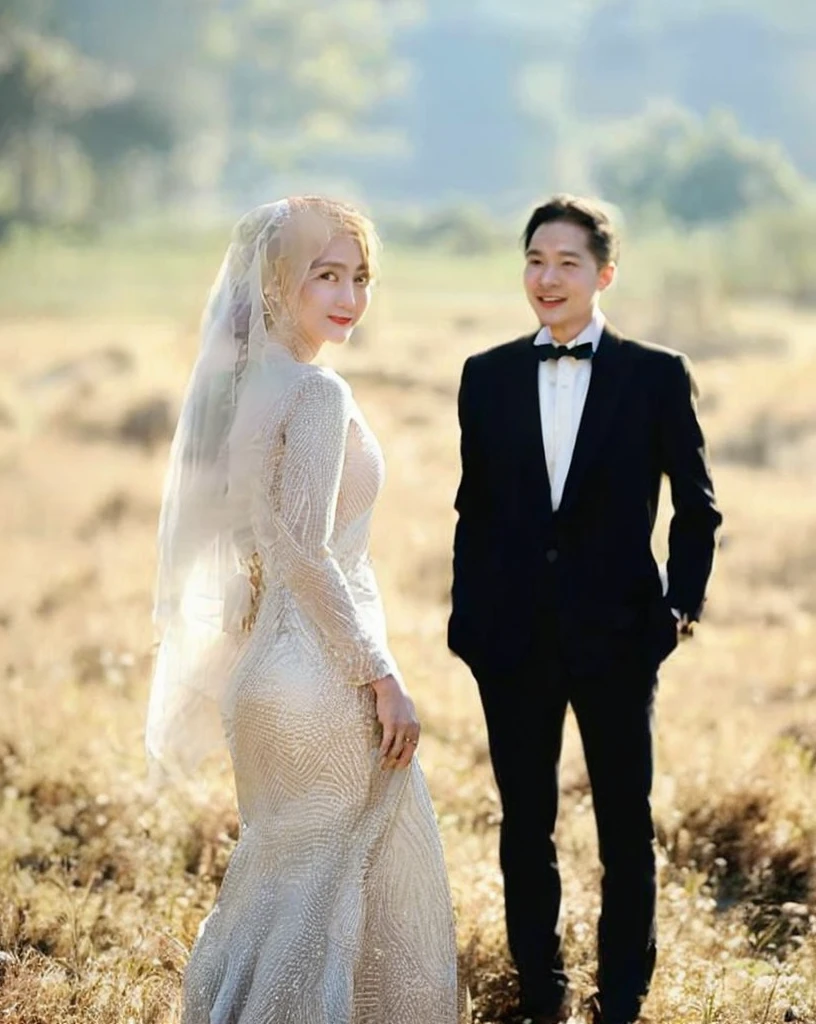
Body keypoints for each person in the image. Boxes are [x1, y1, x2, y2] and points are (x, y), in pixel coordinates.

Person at [147, 197, 465, 1024]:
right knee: (337, 896)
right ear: (277, 279)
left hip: (259, 681)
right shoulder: (316, 393)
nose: (351, 297)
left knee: (281, 889)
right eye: (327, 275)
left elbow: (255, 551)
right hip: (322, 680)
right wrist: (381, 673)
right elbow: (300, 548)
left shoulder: (243, 389)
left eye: (361, 277)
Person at [448, 195, 722, 1024]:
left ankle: (623, 999)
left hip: (619, 637)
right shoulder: (486, 376)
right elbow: (476, 512)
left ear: (604, 275)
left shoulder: (656, 374)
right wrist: (469, 626)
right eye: (535, 260)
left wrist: (679, 609)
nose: (547, 277)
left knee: (623, 829)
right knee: (524, 827)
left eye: (567, 263)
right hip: (512, 644)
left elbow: (697, 506)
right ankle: (542, 993)